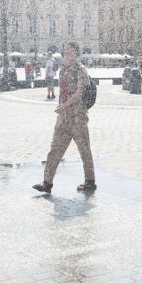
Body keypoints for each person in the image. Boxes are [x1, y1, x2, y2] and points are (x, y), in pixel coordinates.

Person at [33, 41, 96, 194]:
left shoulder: (81, 70)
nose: (67, 54)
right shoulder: (63, 70)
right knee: (55, 150)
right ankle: (47, 182)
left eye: (70, 51)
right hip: (63, 117)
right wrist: (62, 106)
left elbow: (80, 92)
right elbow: (63, 91)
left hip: (77, 117)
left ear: (76, 53)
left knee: (84, 150)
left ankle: (90, 181)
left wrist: (65, 105)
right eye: (65, 51)